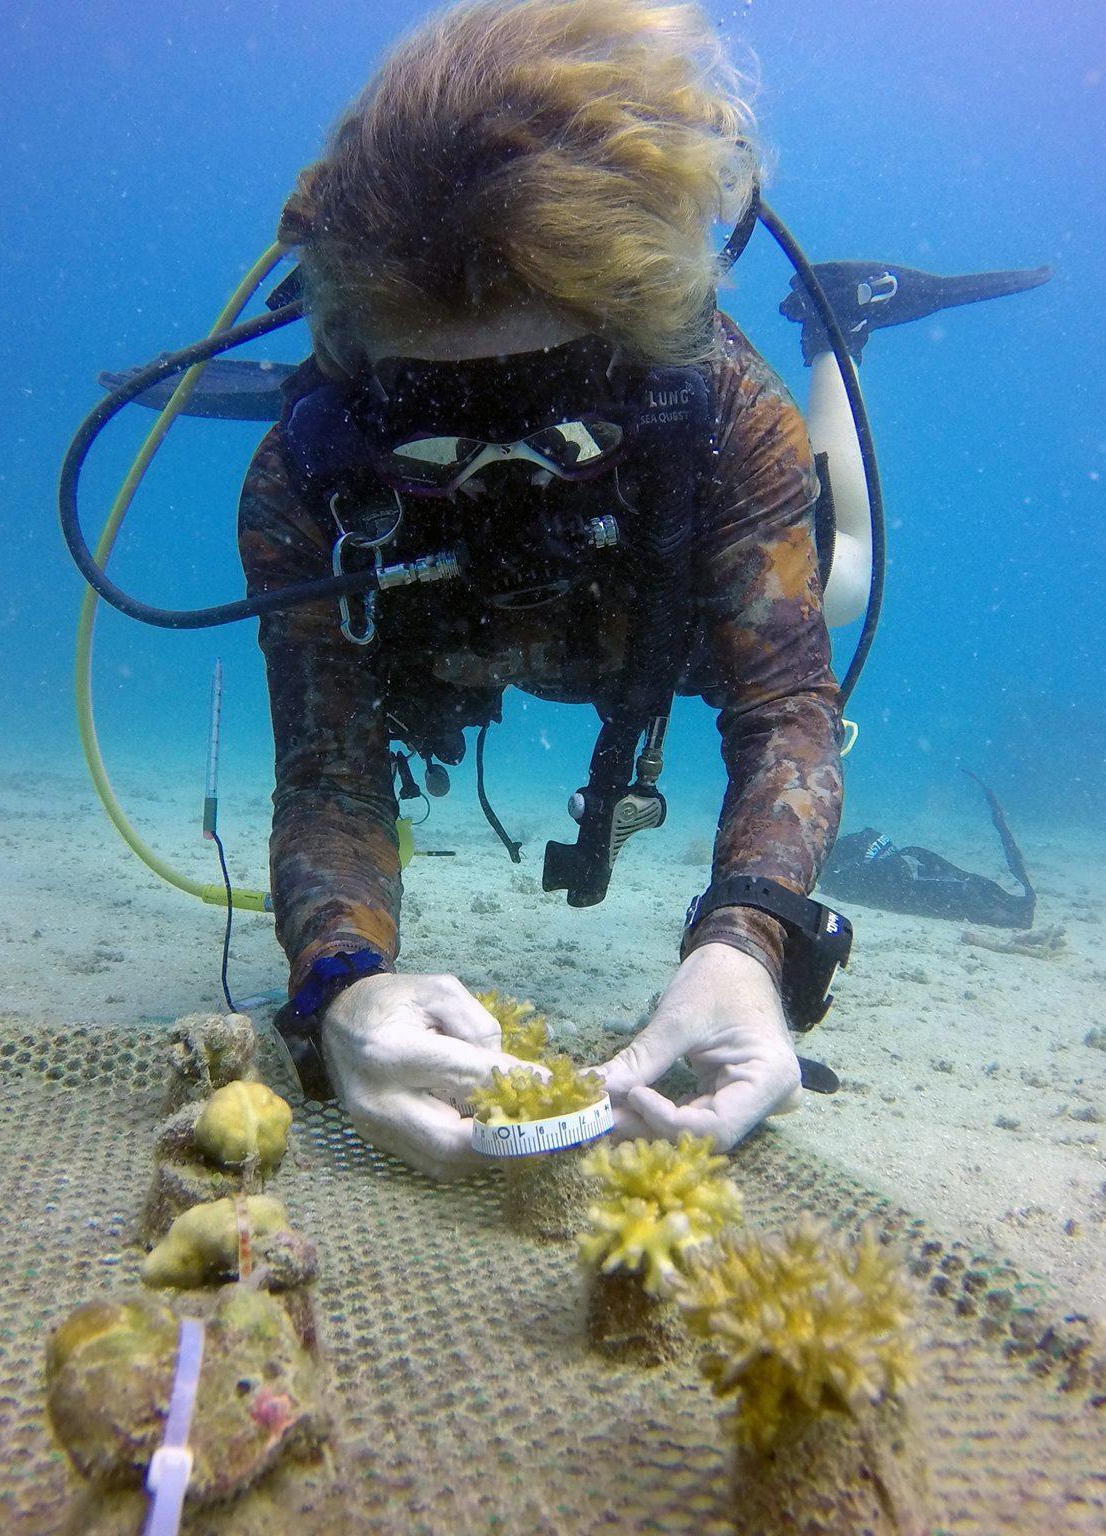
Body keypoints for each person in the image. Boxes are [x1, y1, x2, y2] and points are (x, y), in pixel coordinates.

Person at [237, 0, 844, 1177]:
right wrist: (340, 981)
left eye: (555, 401)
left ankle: (840, 338)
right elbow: (326, 767)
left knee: (843, 572)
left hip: (659, 606)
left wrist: (747, 939)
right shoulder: (296, 488)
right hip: (475, 622)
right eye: (436, 417)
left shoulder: (723, 415)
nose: (502, 474)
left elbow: (784, 709)